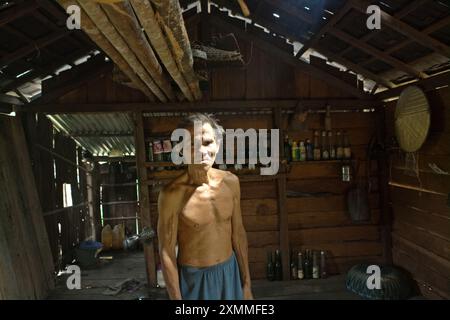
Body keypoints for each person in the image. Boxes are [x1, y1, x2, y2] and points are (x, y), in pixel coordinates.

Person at [157, 113, 253, 300]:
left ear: (217, 145)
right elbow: (166, 251)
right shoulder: (172, 194)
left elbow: (239, 234)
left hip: (229, 272)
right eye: (192, 144)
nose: (202, 150)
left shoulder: (231, 182)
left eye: (208, 142)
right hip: (195, 280)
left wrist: (247, 284)